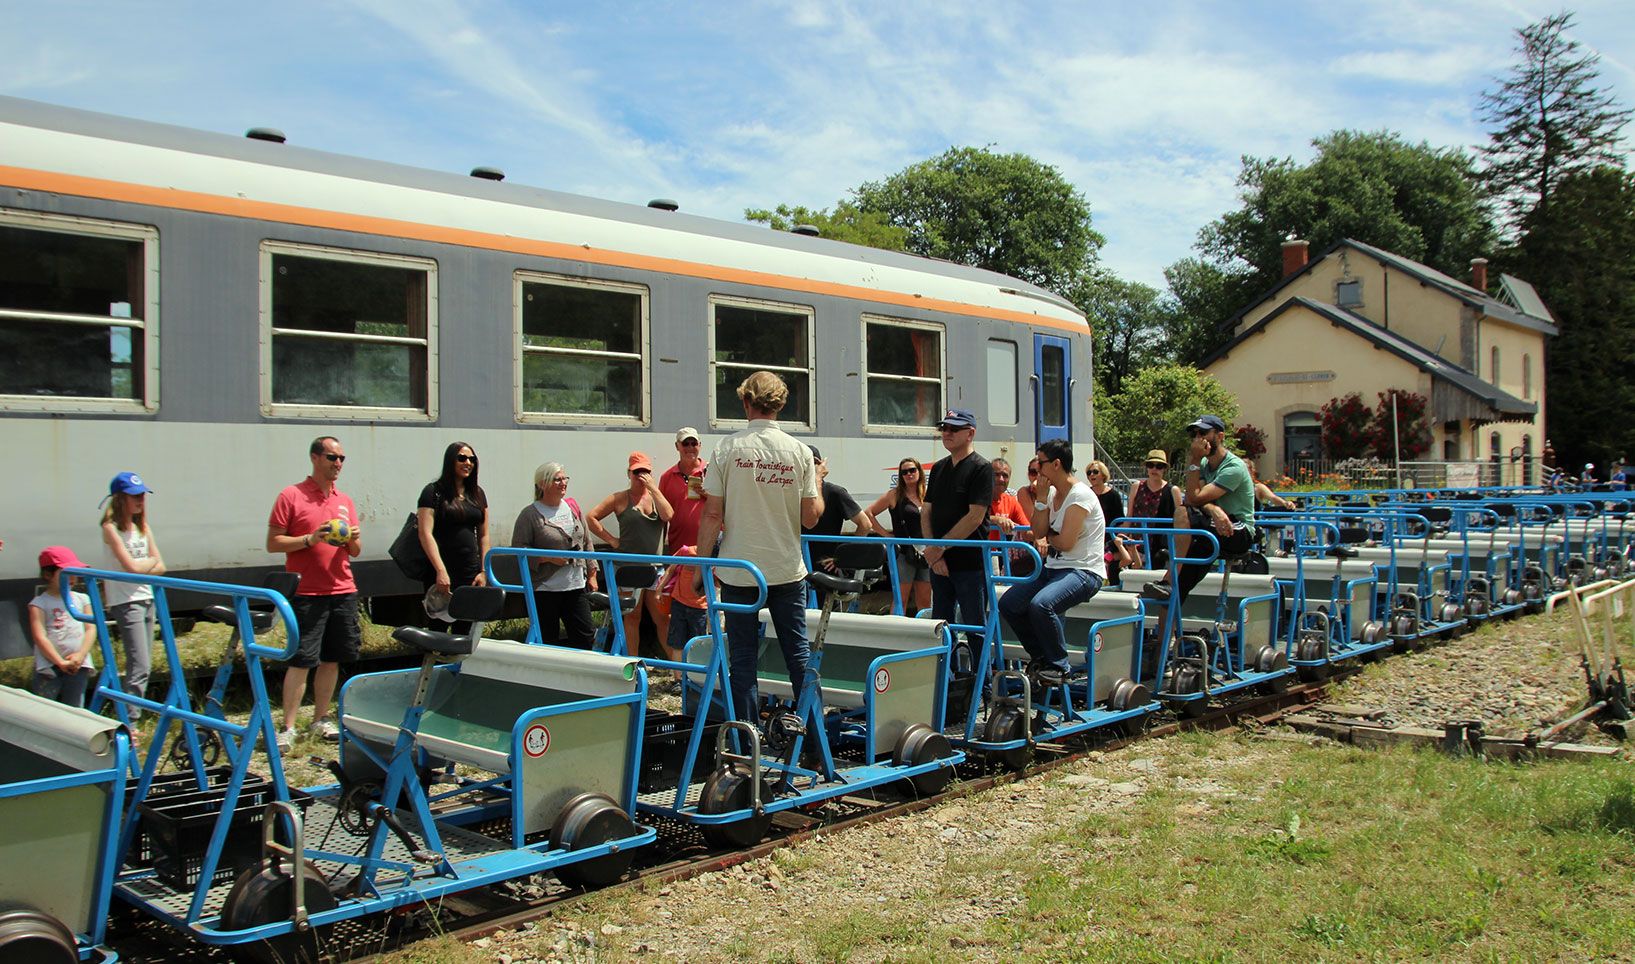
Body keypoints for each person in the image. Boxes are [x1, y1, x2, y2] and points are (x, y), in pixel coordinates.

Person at [695, 371, 823, 725]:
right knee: (798, 654)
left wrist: (700, 567)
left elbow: (712, 514)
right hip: (785, 567)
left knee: (742, 659)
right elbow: (811, 518)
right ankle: (814, 740)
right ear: (780, 404)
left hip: (740, 569)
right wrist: (820, 481)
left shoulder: (727, 448)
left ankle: (746, 741)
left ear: (746, 402)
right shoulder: (798, 451)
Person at [267, 436, 362, 750]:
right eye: (332, 457)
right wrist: (309, 540)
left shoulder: (344, 501)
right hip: (308, 592)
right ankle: (289, 726)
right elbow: (274, 543)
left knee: (332, 659)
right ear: (314, 458)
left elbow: (357, 551)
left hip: (343, 589)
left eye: (342, 459)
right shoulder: (291, 496)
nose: (338, 464)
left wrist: (352, 540)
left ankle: (321, 718)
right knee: (302, 659)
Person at [998, 440, 1106, 685]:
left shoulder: (1080, 495)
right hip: (1054, 569)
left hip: (1084, 572)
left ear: (1056, 464)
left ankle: (1059, 665)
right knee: (1009, 603)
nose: (1037, 471)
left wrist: (1048, 537)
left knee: (1041, 605)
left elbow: (1066, 542)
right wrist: (1042, 500)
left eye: (1040, 464)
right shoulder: (1053, 494)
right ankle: (1041, 657)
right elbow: (1038, 531)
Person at [1141, 416, 1255, 604]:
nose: (1197, 438)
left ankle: (1169, 578)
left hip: (1238, 529)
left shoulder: (1234, 467)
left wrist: (1193, 459)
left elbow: (1194, 498)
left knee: (1183, 512)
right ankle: (1166, 630)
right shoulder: (1202, 464)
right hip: (1211, 526)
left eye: (1203, 433)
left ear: (1219, 436)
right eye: (1194, 434)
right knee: (1176, 589)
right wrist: (1213, 510)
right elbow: (1196, 498)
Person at [922, 408, 995, 675]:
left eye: (954, 429)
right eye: (944, 428)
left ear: (970, 433)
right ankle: (948, 685)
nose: (947, 433)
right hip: (939, 563)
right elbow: (926, 510)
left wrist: (937, 549)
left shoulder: (981, 468)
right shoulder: (940, 467)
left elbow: (975, 517)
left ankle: (983, 688)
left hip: (969, 564)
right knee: (941, 626)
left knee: (976, 627)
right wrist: (934, 552)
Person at [587, 451, 674, 653]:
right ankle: (631, 664)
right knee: (632, 617)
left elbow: (668, 515)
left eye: (645, 472)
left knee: (662, 618)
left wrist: (652, 487)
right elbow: (591, 517)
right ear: (629, 474)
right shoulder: (619, 498)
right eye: (637, 472)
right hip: (628, 568)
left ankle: (679, 673)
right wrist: (612, 541)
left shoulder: (656, 496)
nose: (641, 476)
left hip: (655, 569)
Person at [512, 461, 599, 648]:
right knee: (547, 639)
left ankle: (580, 675)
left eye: (564, 478)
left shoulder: (572, 508)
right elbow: (519, 549)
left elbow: (586, 542)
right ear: (542, 484)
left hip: (575, 585)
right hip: (545, 589)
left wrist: (592, 572)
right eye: (556, 479)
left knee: (585, 637)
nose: (563, 483)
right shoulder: (529, 515)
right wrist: (547, 558)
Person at [99, 471, 164, 716]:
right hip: (126, 601)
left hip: (146, 597)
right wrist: (147, 564)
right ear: (119, 499)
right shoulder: (111, 528)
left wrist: (142, 566)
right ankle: (131, 720)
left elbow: (162, 565)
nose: (140, 501)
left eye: (142, 496)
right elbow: (132, 568)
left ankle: (130, 715)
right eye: (134, 496)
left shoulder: (143, 527)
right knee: (140, 664)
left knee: (144, 664)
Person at [416, 442, 490, 631]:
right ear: (450, 461)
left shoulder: (478, 494)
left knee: (466, 629)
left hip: (470, 573)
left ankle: (460, 661)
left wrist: (483, 571)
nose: (468, 463)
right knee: (438, 628)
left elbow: (484, 535)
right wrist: (440, 571)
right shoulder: (433, 492)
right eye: (462, 458)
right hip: (442, 572)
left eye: (472, 459)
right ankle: (437, 661)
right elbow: (425, 533)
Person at [29, 546, 96, 707]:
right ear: (48, 575)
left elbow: (91, 629)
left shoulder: (83, 599)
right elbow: (40, 636)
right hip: (50, 666)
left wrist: (80, 655)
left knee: (75, 707)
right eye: (66, 572)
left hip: (78, 664)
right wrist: (59, 662)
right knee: (44, 707)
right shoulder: (39, 603)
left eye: (75, 572)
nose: (72, 577)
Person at [865, 457, 932, 615]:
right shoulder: (894, 495)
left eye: (912, 470)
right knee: (901, 599)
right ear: (900, 476)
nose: (909, 474)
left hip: (927, 552)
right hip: (903, 553)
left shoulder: (927, 494)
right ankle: (896, 635)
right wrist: (885, 534)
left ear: (919, 472)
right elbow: (868, 513)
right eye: (904, 472)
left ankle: (924, 635)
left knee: (925, 600)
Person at [801, 446, 871, 572]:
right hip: (797, 562)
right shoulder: (793, 492)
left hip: (823, 564)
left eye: (812, 463)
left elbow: (865, 524)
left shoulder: (835, 492)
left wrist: (842, 557)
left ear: (820, 465)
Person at [1127, 449, 1186, 571]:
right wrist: (1120, 536)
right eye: (1150, 465)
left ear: (1165, 469)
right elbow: (1129, 516)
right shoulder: (1136, 487)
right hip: (1137, 543)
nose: (1154, 469)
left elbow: (1181, 521)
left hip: (1161, 545)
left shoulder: (1173, 490)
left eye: (1159, 466)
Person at [658, 428, 708, 556]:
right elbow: (661, 519)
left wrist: (708, 494)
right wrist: (659, 554)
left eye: (694, 443)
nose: (690, 447)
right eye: (685, 443)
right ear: (677, 446)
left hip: (709, 549)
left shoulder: (712, 472)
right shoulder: (666, 478)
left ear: (700, 445)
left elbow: (729, 505)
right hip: (679, 551)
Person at [660, 545, 709, 667]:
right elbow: (671, 569)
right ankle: (678, 679)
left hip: (700, 608)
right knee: (677, 644)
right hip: (679, 604)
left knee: (697, 646)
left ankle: (694, 678)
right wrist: (659, 589)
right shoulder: (685, 551)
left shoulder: (714, 556)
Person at [1085, 461, 1133, 583]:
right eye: (1089, 473)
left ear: (1103, 475)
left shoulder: (1113, 495)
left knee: (1112, 564)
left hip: (1109, 538)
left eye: (1095, 472)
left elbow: (1120, 520)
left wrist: (1118, 539)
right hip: (1090, 538)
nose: (1092, 475)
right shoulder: (1086, 494)